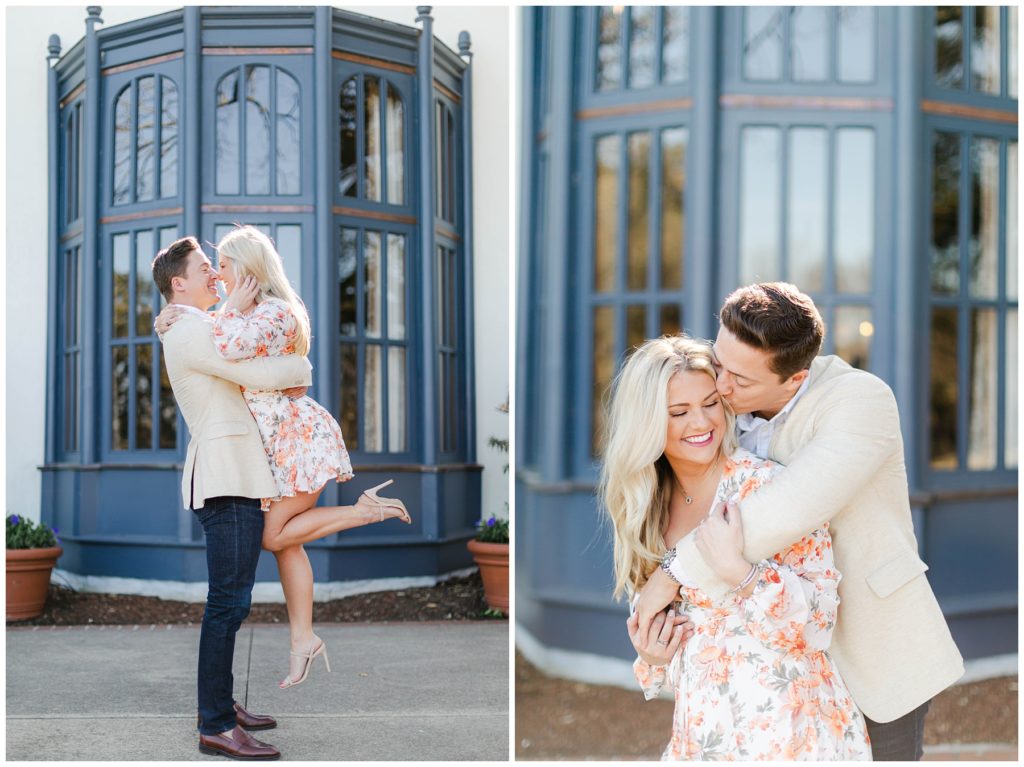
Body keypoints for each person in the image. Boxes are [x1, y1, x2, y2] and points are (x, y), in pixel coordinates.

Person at [635, 283, 964, 761]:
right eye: (719, 363)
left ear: (794, 379)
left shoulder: (860, 401)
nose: (721, 387)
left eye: (740, 381)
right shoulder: (720, 409)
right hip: (774, 675)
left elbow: (786, 509)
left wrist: (670, 575)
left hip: (870, 643)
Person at [156, 226, 411, 691]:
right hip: (269, 448)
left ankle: (364, 511)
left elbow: (231, 349)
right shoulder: (232, 315)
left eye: (224, 265)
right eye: (209, 268)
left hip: (297, 439)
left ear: (250, 270)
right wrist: (169, 318)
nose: (217, 274)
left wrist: (297, 366)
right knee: (287, 543)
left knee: (274, 538)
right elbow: (217, 342)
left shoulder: (272, 313)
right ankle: (303, 640)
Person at [602, 335, 871, 760]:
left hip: (794, 734)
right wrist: (651, 655)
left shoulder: (766, 487)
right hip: (704, 736)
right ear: (648, 423)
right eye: (678, 412)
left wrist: (742, 576)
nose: (701, 423)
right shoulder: (646, 509)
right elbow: (675, 641)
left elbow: (819, 623)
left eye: (710, 403)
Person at [153, 235, 309, 760]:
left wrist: (232, 315)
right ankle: (216, 724)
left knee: (231, 602)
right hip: (225, 477)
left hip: (235, 474)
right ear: (180, 284)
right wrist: (303, 370)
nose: (215, 276)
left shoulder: (192, 323)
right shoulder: (189, 328)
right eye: (205, 269)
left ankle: (217, 705)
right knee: (227, 603)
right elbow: (252, 372)